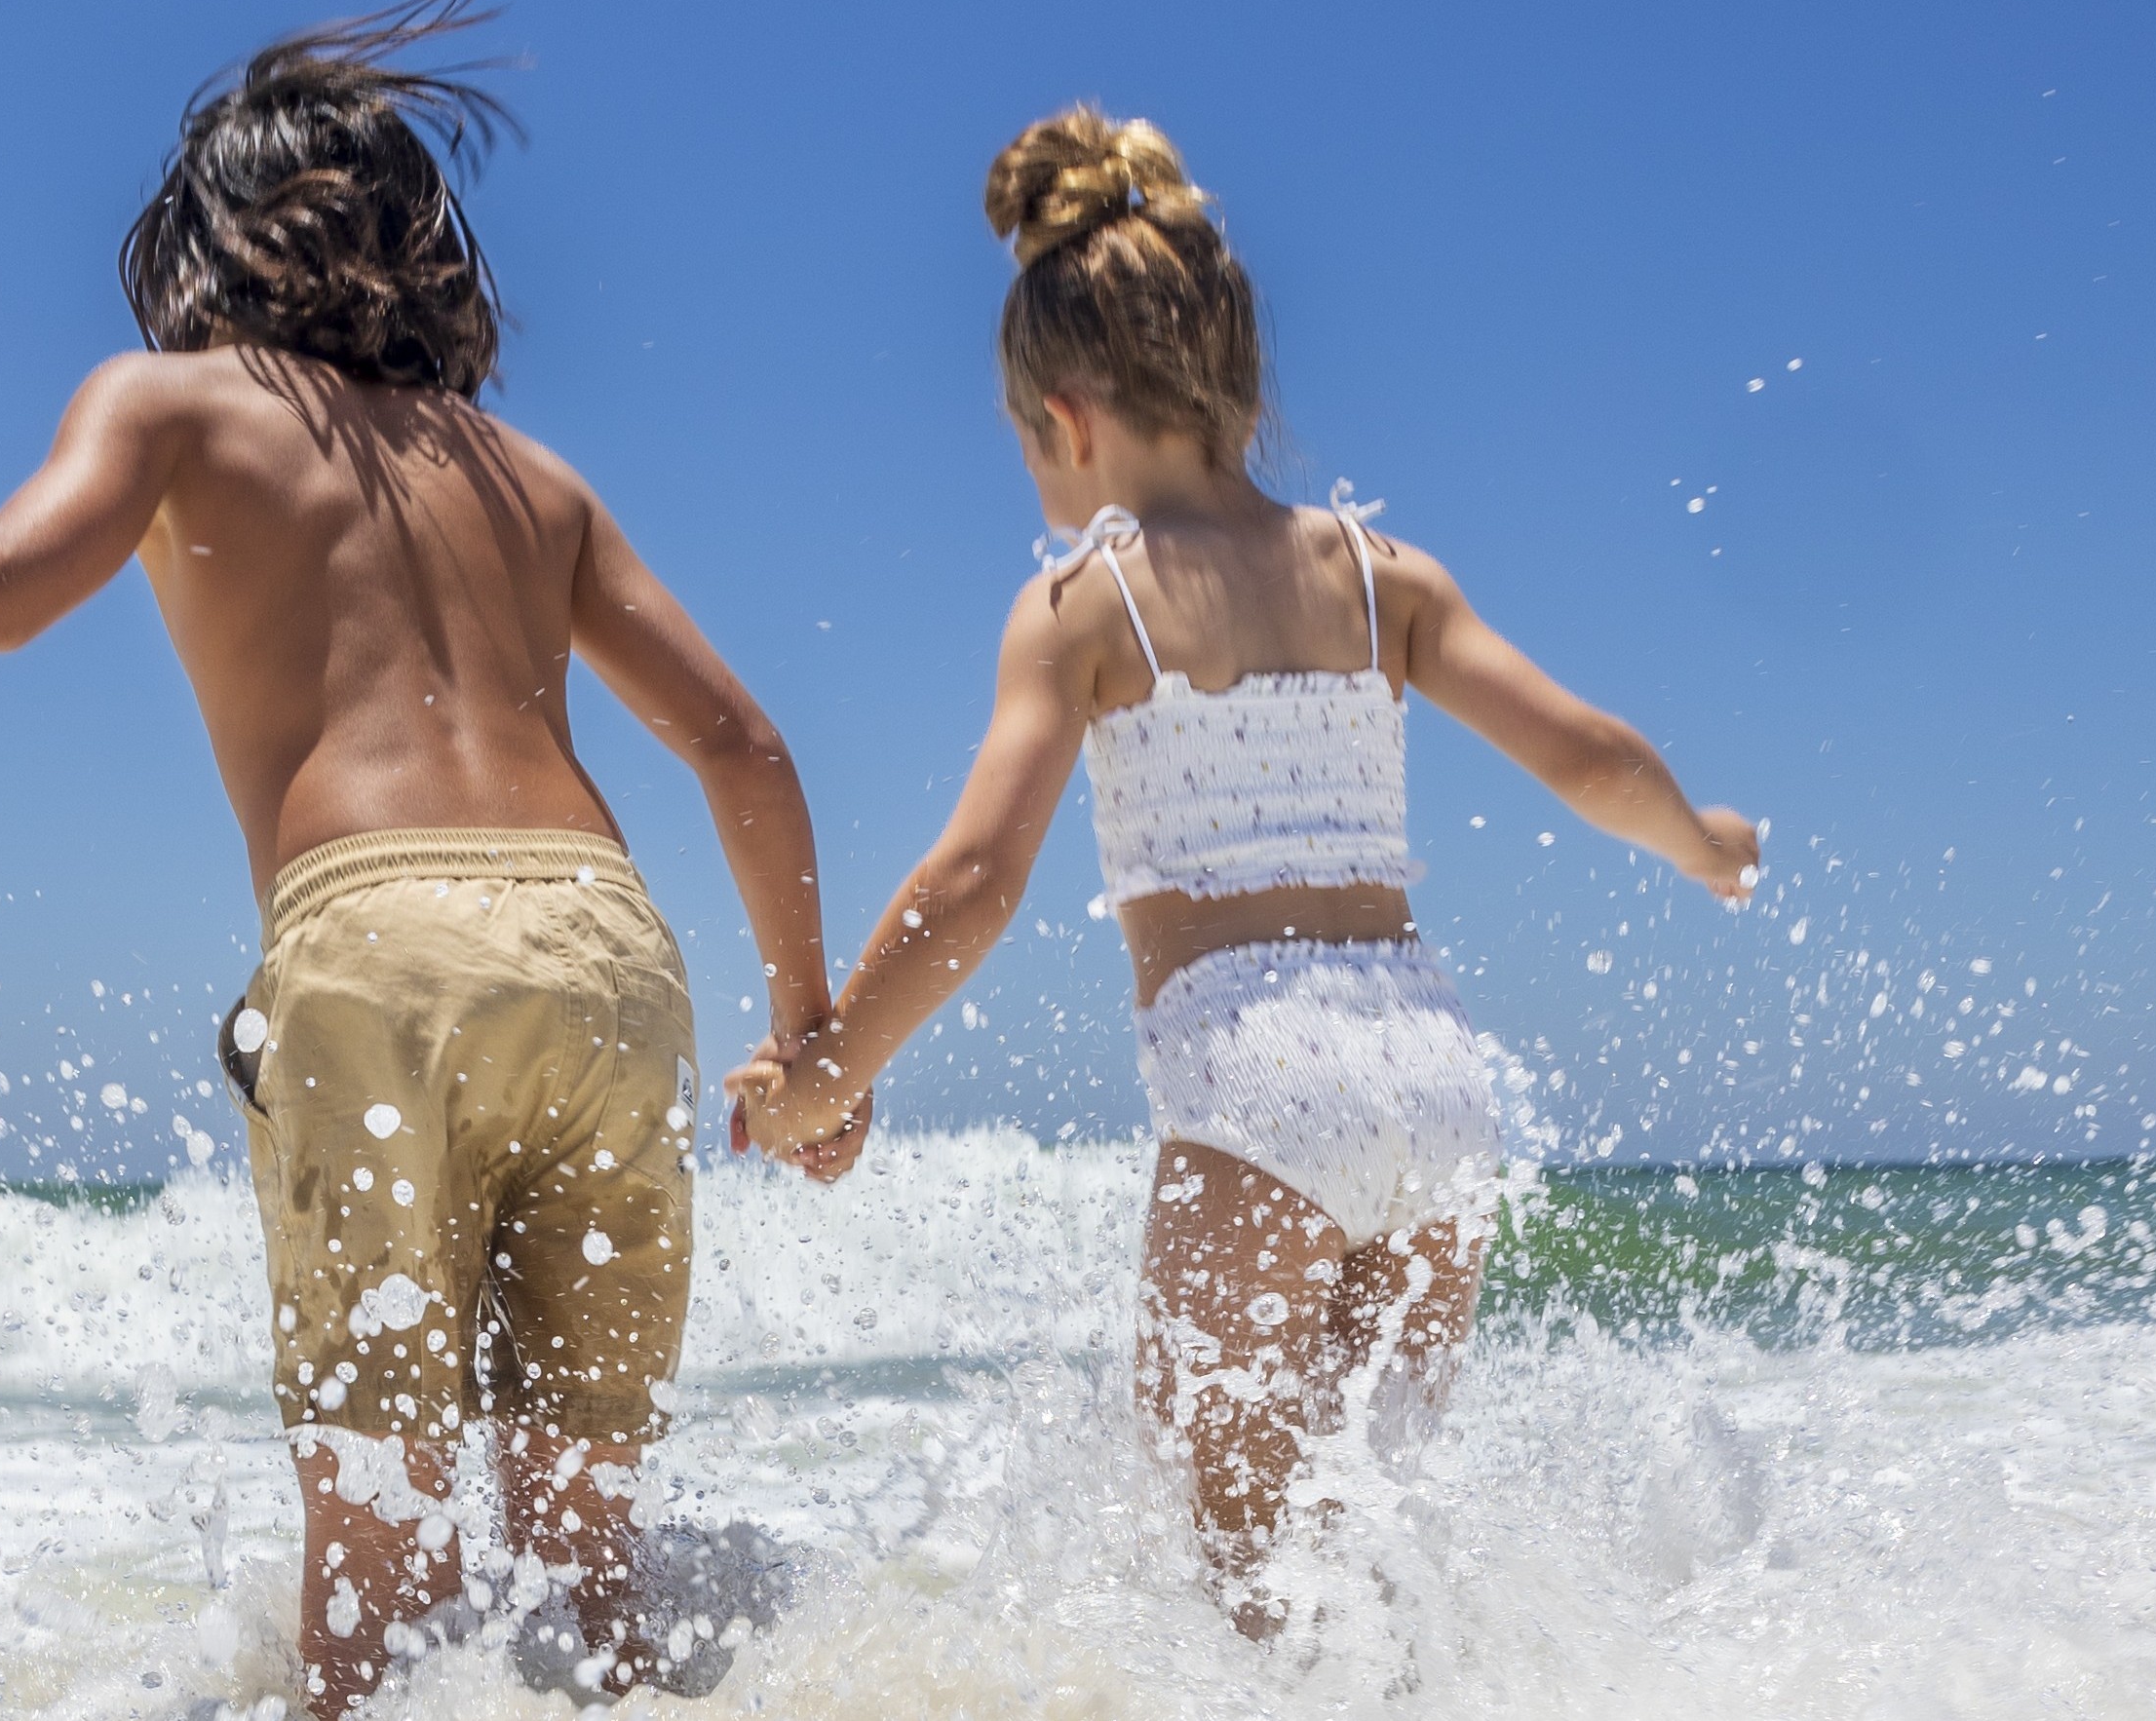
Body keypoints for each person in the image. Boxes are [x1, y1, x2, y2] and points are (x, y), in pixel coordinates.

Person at [0, 0, 833, 1715]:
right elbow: (743, 745)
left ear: (199, 254)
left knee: (379, 1538)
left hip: (381, 952)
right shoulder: (532, 478)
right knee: (588, 1555)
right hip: (609, 951)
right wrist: (808, 1034)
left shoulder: (173, 404)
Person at [733, 106, 1759, 1628]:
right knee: (1370, 1535)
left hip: (1256, 1086)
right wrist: (1705, 843)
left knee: (1236, 1580)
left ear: (1065, 419)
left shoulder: (1087, 606)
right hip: (1435, 1081)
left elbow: (976, 879)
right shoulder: (1383, 578)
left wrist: (828, 1073)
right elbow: (1590, 757)